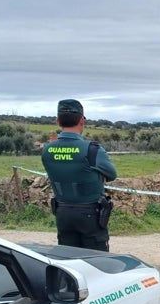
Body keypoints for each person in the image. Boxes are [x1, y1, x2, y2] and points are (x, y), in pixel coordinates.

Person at [41, 99, 117, 251]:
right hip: (90, 214)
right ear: (82, 120)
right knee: (97, 263)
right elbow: (112, 174)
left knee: (69, 261)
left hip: (62, 213)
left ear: (58, 121)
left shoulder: (47, 150)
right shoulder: (92, 150)